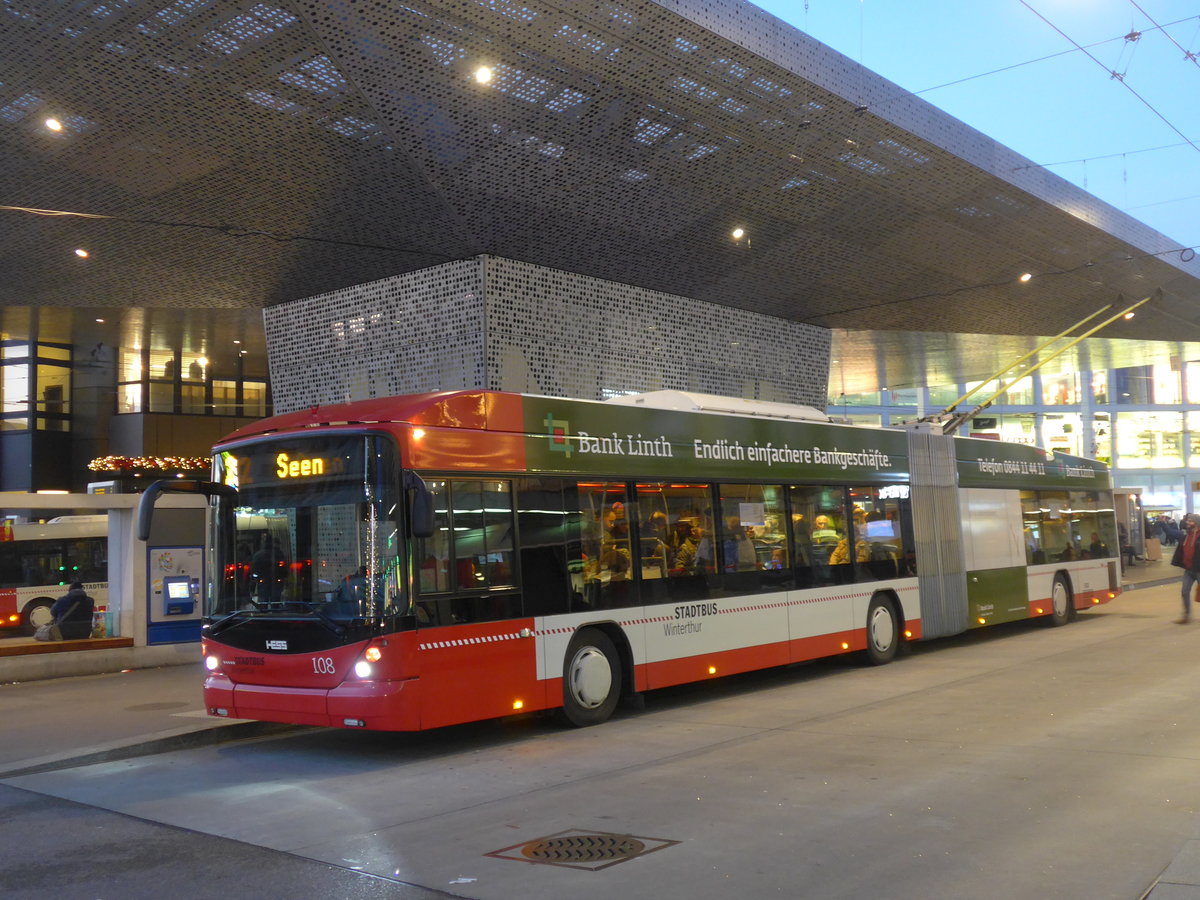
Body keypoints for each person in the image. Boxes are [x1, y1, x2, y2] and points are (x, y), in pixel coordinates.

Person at [1170, 514, 1200, 624]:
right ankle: (1186, 616)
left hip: (1199, 570)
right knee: (1184, 591)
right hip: (1189, 570)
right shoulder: (1186, 536)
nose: (1188, 523)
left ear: (1196, 523)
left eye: (1191, 521)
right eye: (1188, 521)